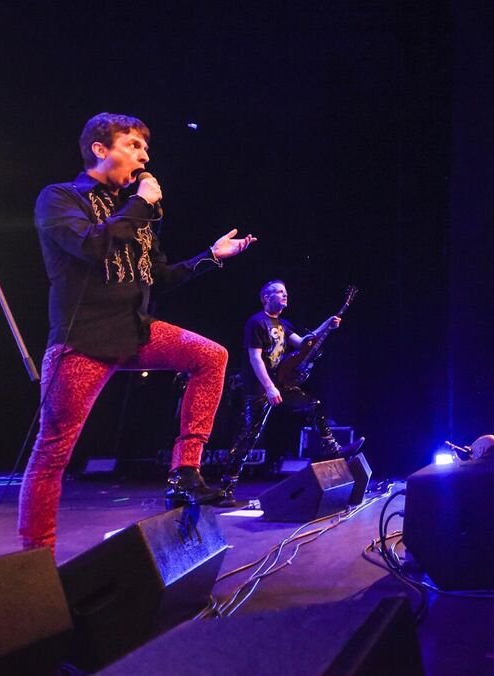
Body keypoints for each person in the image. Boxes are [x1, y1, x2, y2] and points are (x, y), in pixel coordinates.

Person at [19, 112, 256, 554]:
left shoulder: (138, 211)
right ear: (100, 149)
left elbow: (159, 277)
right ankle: (35, 559)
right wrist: (142, 203)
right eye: (134, 146)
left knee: (211, 356)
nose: (144, 156)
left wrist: (212, 256)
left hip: (137, 331)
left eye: (146, 149)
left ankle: (186, 471)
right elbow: (92, 246)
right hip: (83, 344)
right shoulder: (60, 198)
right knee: (52, 454)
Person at [220, 279, 364, 504]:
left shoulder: (284, 325)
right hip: (259, 385)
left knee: (312, 405)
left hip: (280, 383)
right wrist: (268, 387)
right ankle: (225, 489)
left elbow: (304, 342)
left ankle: (333, 449)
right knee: (250, 436)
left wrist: (327, 324)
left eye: (285, 292)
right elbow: (255, 358)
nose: (284, 295)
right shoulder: (256, 323)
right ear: (266, 297)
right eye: (278, 292)